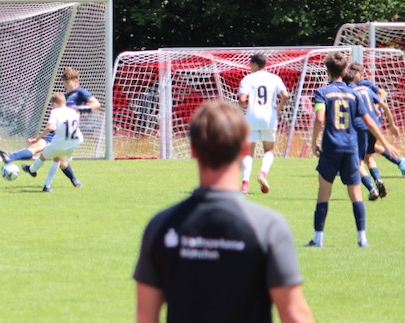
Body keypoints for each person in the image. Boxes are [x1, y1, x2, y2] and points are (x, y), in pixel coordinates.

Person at [134, 100, 314, 323]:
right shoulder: (268, 227)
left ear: (193, 149)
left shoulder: (161, 226)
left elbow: (145, 317)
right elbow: (295, 315)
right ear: (245, 149)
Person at [306, 53, 399, 248]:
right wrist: (385, 142)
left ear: (327, 71)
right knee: (356, 194)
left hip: (331, 147)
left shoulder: (322, 92)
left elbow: (320, 119)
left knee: (324, 192)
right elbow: (369, 121)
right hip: (351, 148)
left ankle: (318, 238)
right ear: (345, 71)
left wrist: (314, 142)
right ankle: (362, 238)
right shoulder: (354, 93)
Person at [0, 68, 94, 187]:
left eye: (67, 83)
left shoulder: (80, 94)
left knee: (60, 160)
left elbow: (94, 104)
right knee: (36, 146)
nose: (65, 86)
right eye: (64, 83)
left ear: (76, 82)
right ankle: (9, 156)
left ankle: (73, 179)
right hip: (55, 130)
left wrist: (79, 109)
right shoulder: (62, 97)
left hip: (64, 133)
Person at [237, 53, 290, 194]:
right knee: (268, 150)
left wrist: (239, 114)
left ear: (255, 64)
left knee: (248, 152)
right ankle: (262, 173)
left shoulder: (248, 79)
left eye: (250, 63)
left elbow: (242, 99)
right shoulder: (274, 78)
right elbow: (285, 95)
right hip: (269, 116)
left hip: (252, 116)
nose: (249, 66)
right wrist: (278, 108)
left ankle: (245, 184)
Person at [16, 92, 81, 192]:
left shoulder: (57, 112)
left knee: (49, 158)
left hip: (60, 139)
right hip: (71, 141)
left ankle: (34, 172)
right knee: (58, 159)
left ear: (54, 104)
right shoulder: (72, 111)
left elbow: (50, 127)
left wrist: (37, 138)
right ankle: (73, 180)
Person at [345, 63, 386, 200]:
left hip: (360, 126)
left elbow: (382, 93)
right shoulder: (364, 88)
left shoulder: (357, 87)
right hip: (373, 124)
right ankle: (378, 179)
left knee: (357, 162)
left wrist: (376, 106)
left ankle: (372, 189)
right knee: (369, 157)